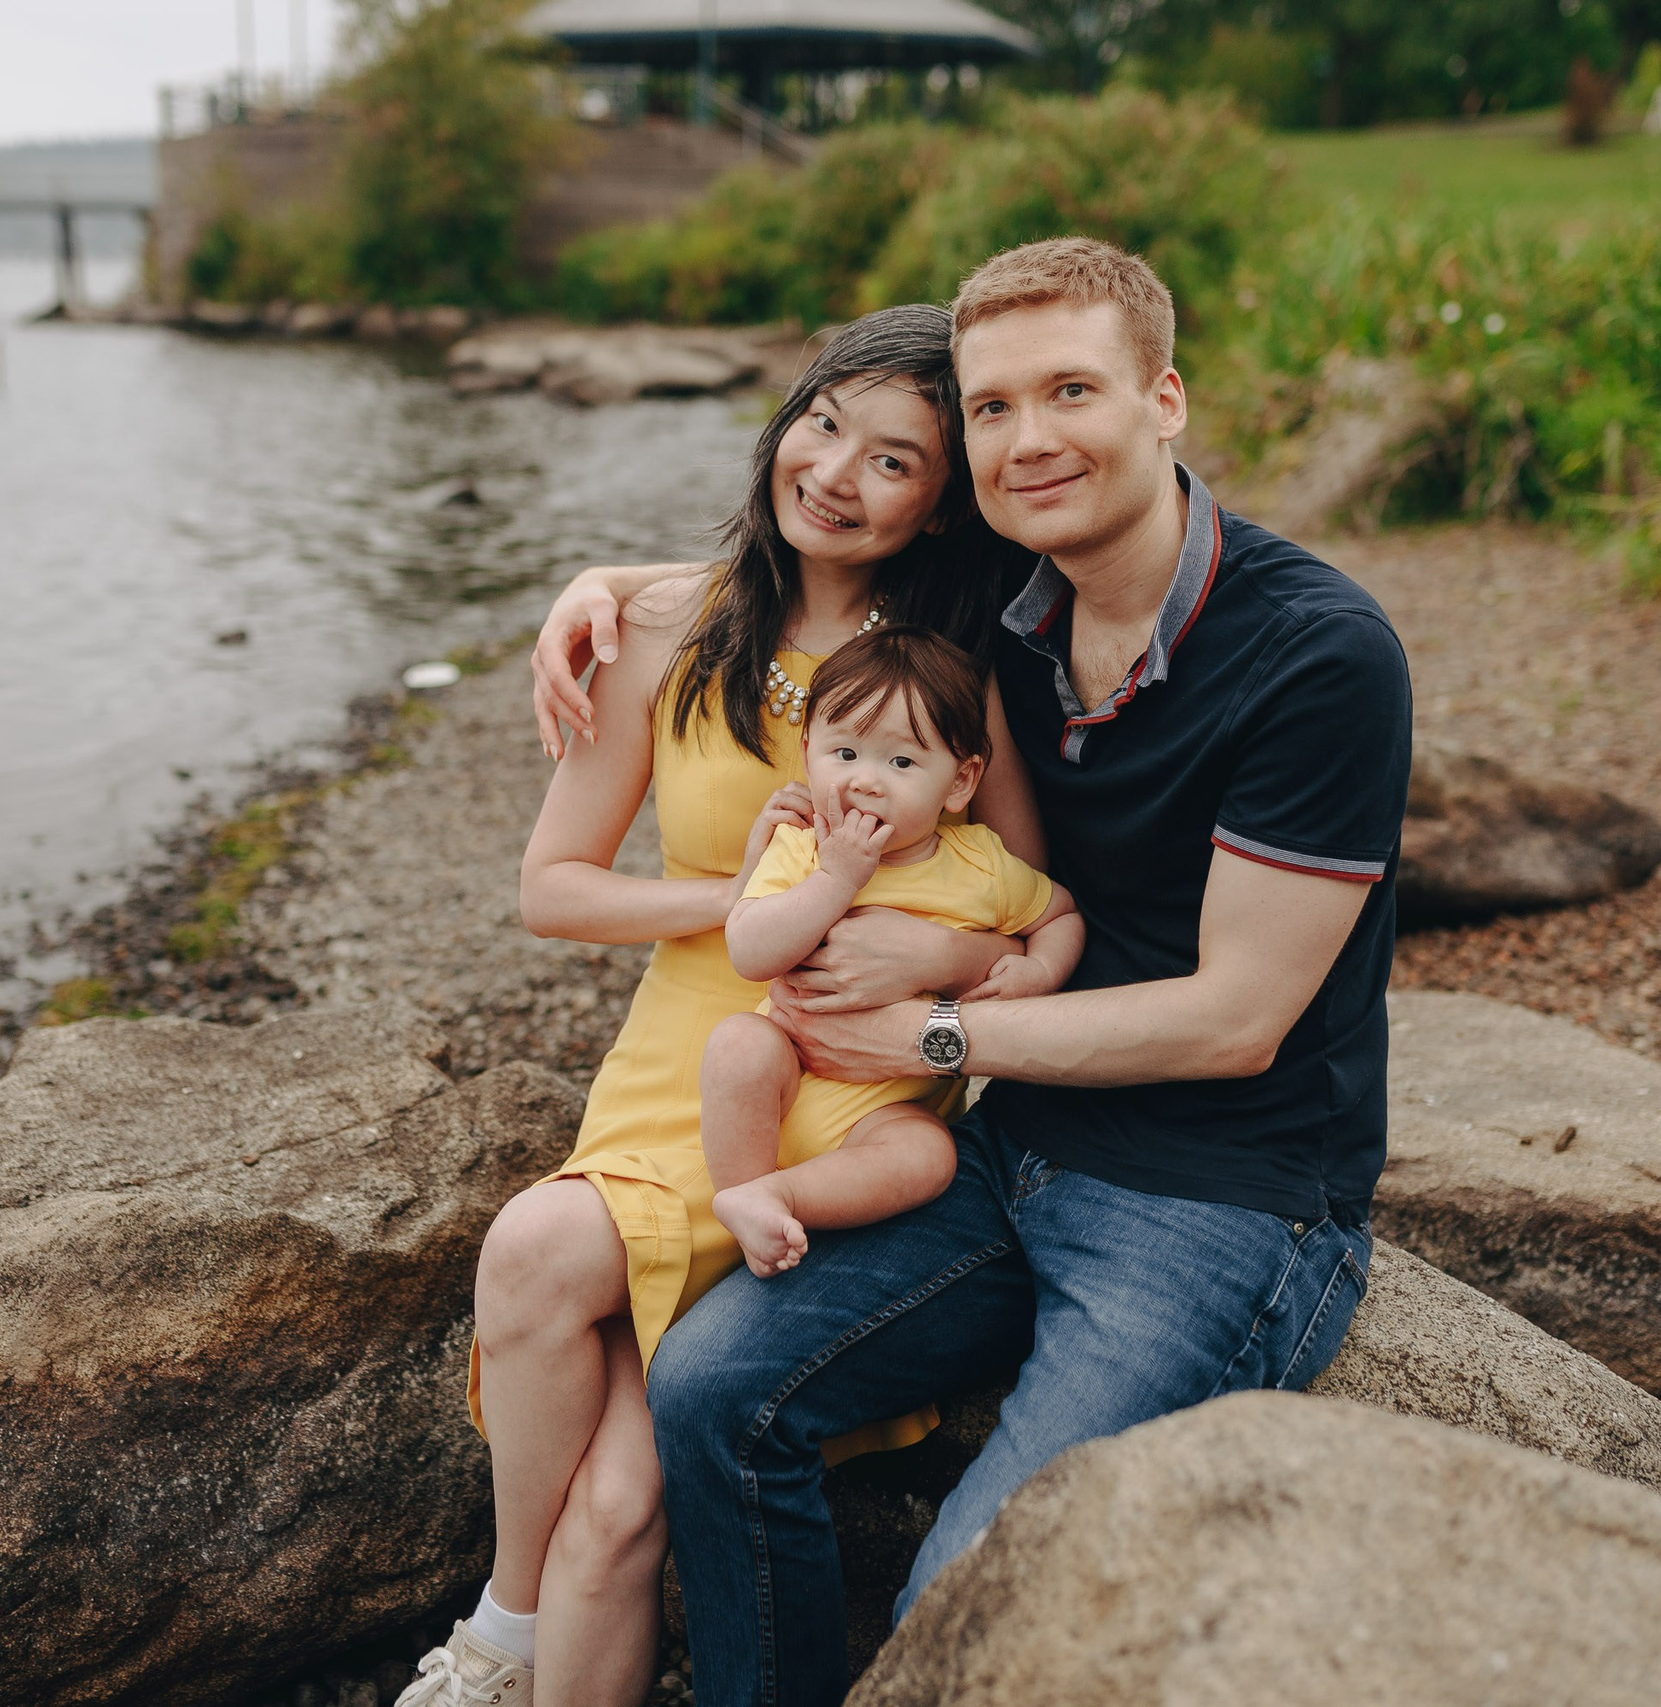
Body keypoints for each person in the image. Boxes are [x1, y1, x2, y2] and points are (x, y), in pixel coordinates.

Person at [530, 236, 1414, 1707]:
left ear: (1167, 400)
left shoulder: (1317, 655)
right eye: (994, 410)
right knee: (708, 1390)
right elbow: (817, 532)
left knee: (968, 1595)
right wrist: (599, 581)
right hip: (1020, 1151)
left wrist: (927, 1032)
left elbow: (1239, 1020)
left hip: (1220, 1195)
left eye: (1071, 390)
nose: (1028, 438)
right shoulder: (1011, 605)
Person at [397, 304, 1047, 1707]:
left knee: (627, 1494)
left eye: (893, 460)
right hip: (687, 1055)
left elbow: (1026, 899)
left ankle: (503, 1639)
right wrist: (747, 899)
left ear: (940, 507)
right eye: (822, 422)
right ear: (785, 415)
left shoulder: (946, 671)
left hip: (846, 1073)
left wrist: (917, 962)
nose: (833, 470)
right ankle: (503, 1629)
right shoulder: (655, 626)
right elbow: (553, 888)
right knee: (557, 1322)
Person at [704, 625, 1081, 1279]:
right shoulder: (802, 850)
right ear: (807, 751)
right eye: (844, 752)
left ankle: (778, 1199)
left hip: (886, 1112)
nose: (866, 782)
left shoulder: (980, 865)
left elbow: (1060, 914)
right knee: (737, 1045)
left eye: (902, 763)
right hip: (787, 1076)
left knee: (933, 1156)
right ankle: (744, 1192)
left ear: (960, 782)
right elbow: (748, 949)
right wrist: (835, 881)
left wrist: (1039, 969)